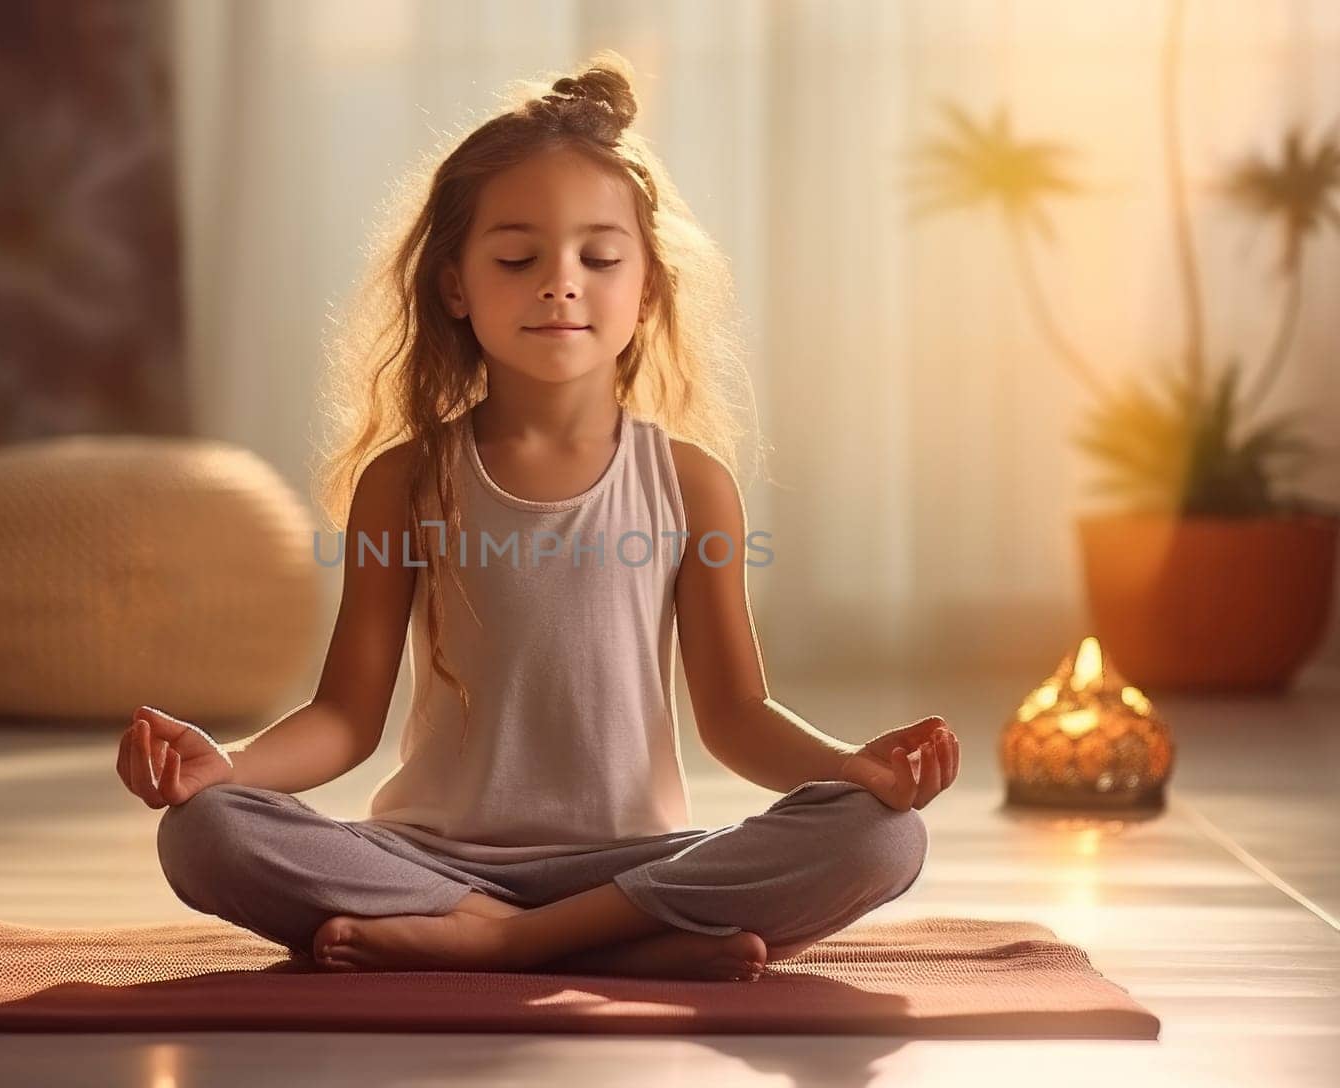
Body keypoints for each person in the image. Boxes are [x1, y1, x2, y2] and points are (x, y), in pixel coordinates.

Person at [116, 51, 958, 982]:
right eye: (518, 258)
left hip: (629, 864)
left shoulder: (690, 484)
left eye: (600, 258)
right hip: (432, 863)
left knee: (883, 839)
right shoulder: (405, 480)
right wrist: (223, 767)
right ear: (455, 286)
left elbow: (737, 717)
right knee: (205, 835)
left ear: (646, 291)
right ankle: (621, 948)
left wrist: (858, 771)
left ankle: (517, 942)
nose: (561, 282)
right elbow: (344, 718)